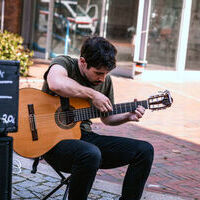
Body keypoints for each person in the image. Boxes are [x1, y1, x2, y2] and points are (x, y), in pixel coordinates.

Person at [42, 36, 154, 200]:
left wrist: (128, 116)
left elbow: (107, 118)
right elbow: (56, 83)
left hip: (84, 138)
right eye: (98, 73)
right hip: (50, 141)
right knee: (90, 153)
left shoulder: (104, 80)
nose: (102, 78)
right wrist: (93, 94)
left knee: (144, 151)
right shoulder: (64, 63)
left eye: (106, 73)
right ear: (82, 61)